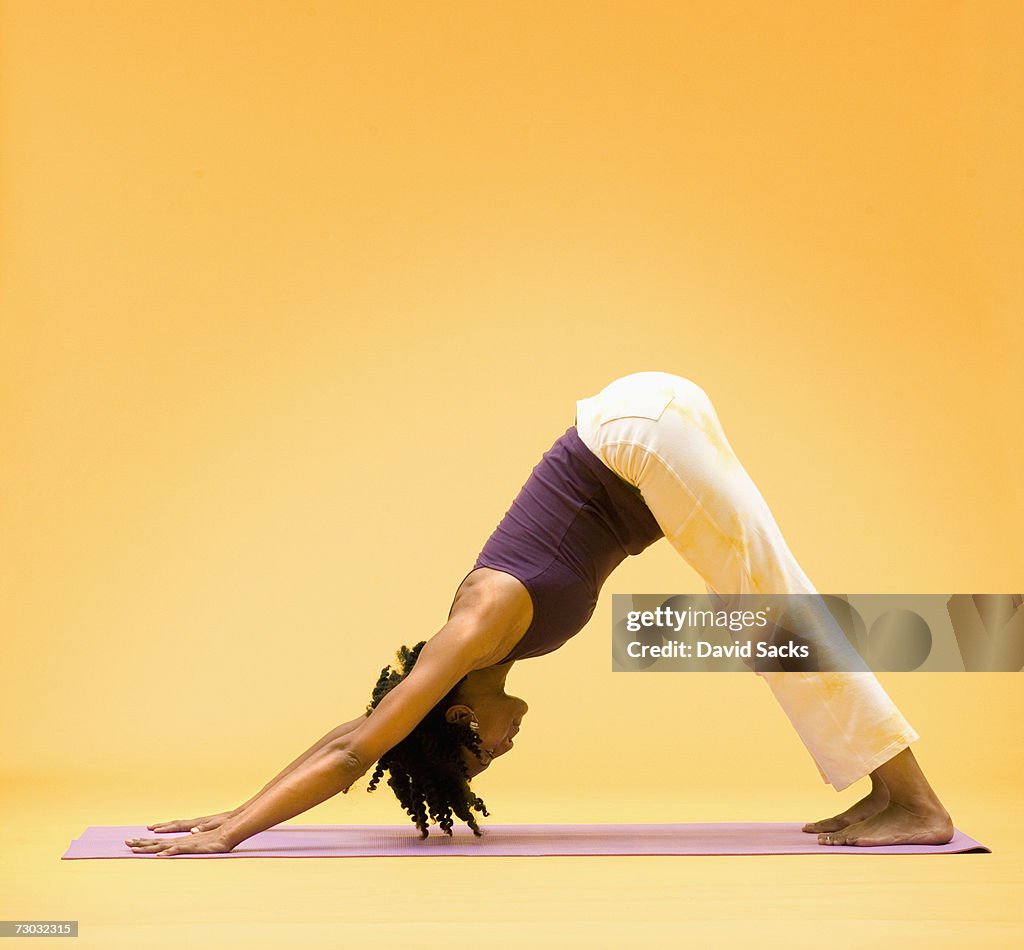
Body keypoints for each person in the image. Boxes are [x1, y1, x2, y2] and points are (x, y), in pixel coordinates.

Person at [125, 371, 953, 855]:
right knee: (768, 616)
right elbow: (367, 727)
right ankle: (889, 795)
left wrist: (228, 838)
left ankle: (913, 802)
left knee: (777, 614)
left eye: (480, 755)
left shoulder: (478, 627)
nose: (505, 748)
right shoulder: (481, 651)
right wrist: (237, 807)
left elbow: (353, 749)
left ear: (457, 714)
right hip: (643, 432)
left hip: (639, 439)